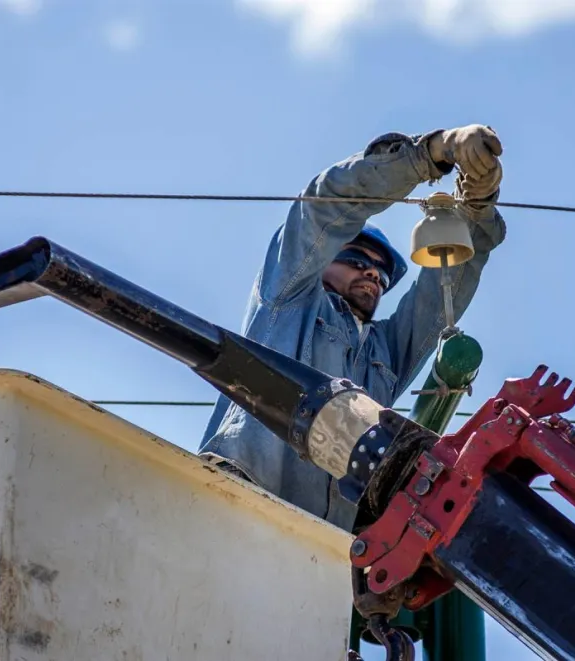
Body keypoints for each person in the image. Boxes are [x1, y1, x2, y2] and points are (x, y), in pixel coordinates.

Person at [199, 124, 507, 531]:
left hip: (327, 542)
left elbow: (439, 300)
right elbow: (322, 209)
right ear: (323, 256)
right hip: (239, 501)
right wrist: (427, 154)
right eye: (358, 260)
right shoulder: (289, 299)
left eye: (381, 273)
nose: (373, 274)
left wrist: (477, 211)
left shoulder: (384, 352)